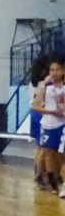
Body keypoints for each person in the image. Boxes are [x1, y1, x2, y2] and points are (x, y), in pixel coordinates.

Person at [31, 59, 65, 196]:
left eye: (57, 69)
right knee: (48, 151)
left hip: (62, 123)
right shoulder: (45, 86)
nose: (54, 72)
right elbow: (35, 105)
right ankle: (50, 179)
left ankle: (59, 180)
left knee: (60, 154)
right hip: (49, 123)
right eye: (51, 70)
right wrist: (50, 112)